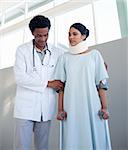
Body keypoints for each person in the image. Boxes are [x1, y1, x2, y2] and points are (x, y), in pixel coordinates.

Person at [54, 23, 112, 150]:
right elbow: (60, 87)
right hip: (71, 106)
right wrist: (60, 110)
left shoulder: (95, 55)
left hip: (92, 104)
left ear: (84, 36)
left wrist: (105, 107)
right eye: (69, 34)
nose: (71, 37)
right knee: (73, 139)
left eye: (75, 34)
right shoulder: (64, 58)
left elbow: (101, 84)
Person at [13, 15, 64, 150]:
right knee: (21, 146)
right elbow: (20, 77)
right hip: (25, 108)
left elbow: (72, 62)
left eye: (46, 35)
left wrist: (94, 63)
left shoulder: (58, 52)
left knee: (43, 147)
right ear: (32, 33)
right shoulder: (22, 50)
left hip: (46, 108)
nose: (42, 39)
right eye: (38, 35)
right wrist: (48, 83)